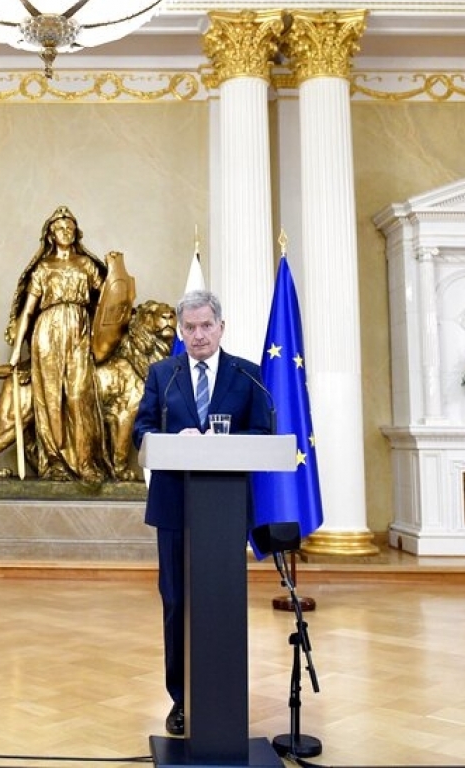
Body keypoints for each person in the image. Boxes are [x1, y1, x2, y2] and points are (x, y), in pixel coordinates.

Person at [132, 289, 274, 738]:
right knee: (176, 603)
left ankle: (223, 697)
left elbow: (262, 430)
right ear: (180, 330)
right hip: (175, 505)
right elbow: (142, 429)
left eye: (205, 326)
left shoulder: (246, 375)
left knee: (220, 602)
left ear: (221, 327)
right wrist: (176, 440)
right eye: (189, 328)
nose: (198, 335)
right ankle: (181, 699)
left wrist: (223, 443)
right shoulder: (163, 375)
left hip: (225, 509)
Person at [6, 206, 108, 484]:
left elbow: (107, 298)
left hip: (79, 329)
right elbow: (28, 311)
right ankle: (54, 461)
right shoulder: (43, 268)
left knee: (79, 396)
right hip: (47, 331)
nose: (66, 232)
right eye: (61, 228)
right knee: (49, 397)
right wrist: (17, 349)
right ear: (51, 234)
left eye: (70, 228)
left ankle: (85, 461)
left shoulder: (86, 265)